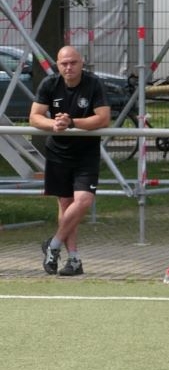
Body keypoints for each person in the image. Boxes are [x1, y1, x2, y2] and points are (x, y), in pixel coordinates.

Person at [30, 46, 112, 277]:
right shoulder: (49, 84)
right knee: (66, 205)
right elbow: (34, 117)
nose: (69, 67)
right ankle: (74, 260)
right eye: (64, 63)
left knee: (83, 200)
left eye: (73, 62)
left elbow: (103, 118)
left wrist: (72, 122)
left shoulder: (93, 83)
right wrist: (54, 125)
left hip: (86, 153)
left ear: (81, 63)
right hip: (58, 153)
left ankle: (53, 244)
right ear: (57, 64)